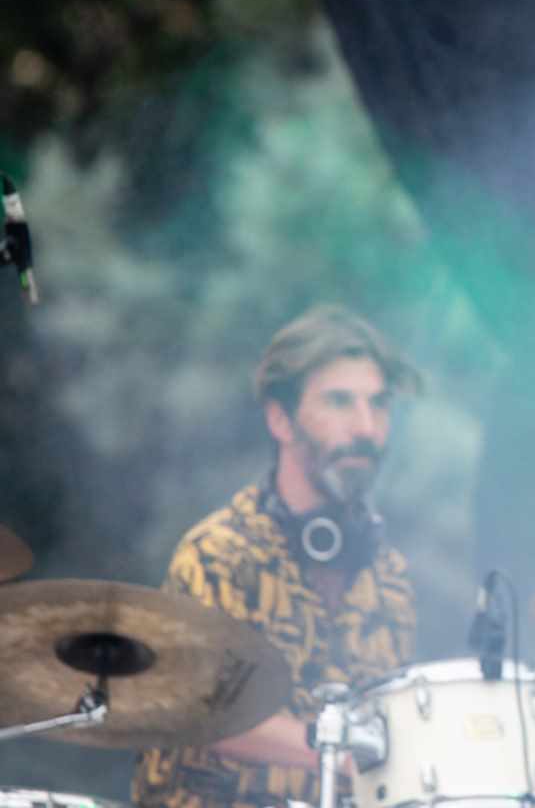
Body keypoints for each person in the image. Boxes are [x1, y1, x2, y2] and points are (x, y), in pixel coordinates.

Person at [133, 305, 422, 808]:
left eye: (379, 405)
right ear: (280, 420)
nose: (366, 426)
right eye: (339, 402)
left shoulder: (390, 577)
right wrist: (345, 752)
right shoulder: (219, 553)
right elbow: (207, 711)